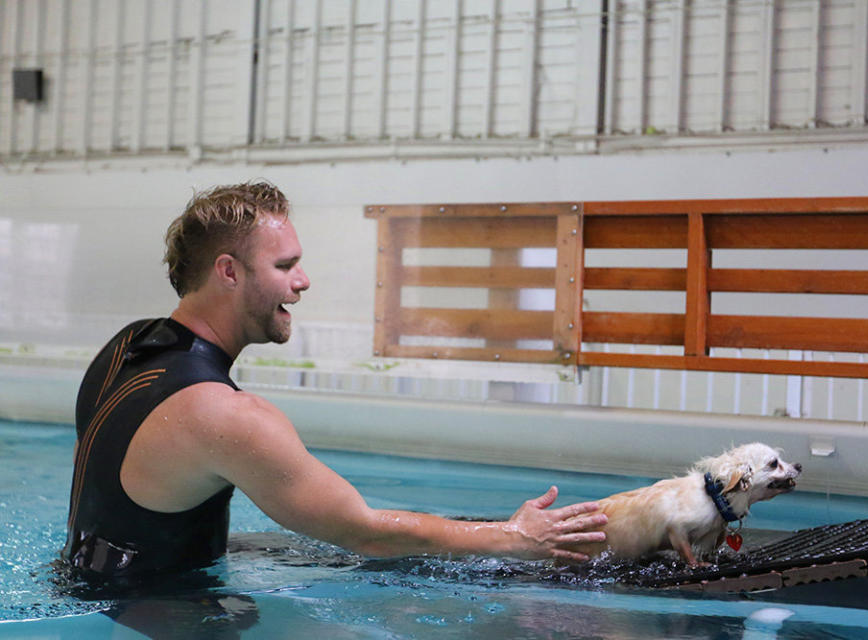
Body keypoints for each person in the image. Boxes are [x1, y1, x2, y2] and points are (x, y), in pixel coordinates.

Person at [62, 182, 607, 582]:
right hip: (162, 612)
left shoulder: (127, 346)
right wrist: (512, 538)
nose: (302, 282)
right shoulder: (225, 416)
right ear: (228, 272)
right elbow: (364, 532)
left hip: (85, 581)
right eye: (285, 265)